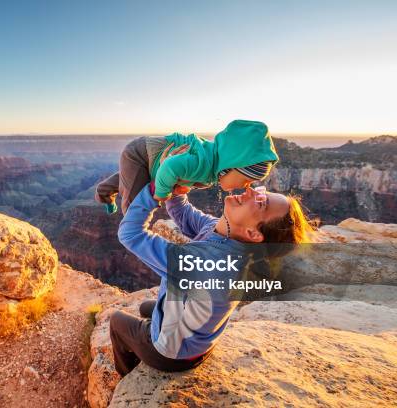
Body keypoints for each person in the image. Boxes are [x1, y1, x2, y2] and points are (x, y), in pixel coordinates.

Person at [109, 174, 315, 376]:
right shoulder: (226, 232)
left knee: (116, 321)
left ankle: (125, 374)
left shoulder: (207, 264)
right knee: (146, 307)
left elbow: (130, 234)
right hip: (200, 341)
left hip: (171, 354)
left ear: (253, 233)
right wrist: (178, 178)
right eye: (261, 191)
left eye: (261, 202)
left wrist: (154, 191)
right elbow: (182, 211)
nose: (251, 190)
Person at [95, 119, 279, 215]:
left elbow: (181, 174)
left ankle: (102, 193)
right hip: (139, 155)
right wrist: (162, 193)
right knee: (135, 201)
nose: (247, 185)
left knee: (128, 180)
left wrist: (181, 186)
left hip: (148, 159)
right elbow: (170, 168)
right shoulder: (202, 163)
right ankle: (130, 228)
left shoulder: (214, 165)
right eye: (248, 179)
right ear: (232, 166)